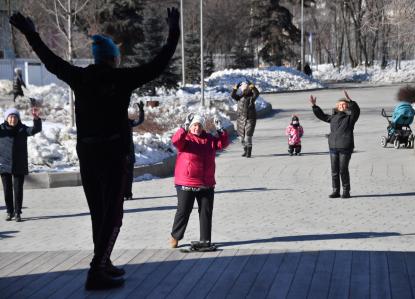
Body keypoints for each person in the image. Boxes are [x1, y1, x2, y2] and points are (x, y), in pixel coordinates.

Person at [10, 7, 179, 290]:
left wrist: (31, 33)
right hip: (113, 154)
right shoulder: (122, 78)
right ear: (114, 58)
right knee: (112, 215)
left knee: (98, 212)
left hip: (88, 154)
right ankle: (96, 270)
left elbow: (50, 61)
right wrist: (173, 29)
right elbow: (158, 64)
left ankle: (104, 261)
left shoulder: (81, 76)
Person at [169, 113, 229, 250]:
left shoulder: (209, 139)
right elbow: (175, 141)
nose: (197, 128)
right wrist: (183, 128)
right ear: (190, 127)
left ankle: (205, 239)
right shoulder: (186, 139)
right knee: (184, 210)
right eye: (194, 125)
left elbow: (223, 143)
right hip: (186, 182)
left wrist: (221, 130)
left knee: (206, 211)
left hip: (206, 182)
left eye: (199, 125)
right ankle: (175, 236)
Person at [310, 91, 360, 199]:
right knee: (334, 170)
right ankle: (335, 190)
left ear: (346, 106)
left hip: (345, 147)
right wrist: (314, 106)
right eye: (340, 104)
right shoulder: (333, 118)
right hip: (333, 147)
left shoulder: (350, 118)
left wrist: (351, 102)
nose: (342, 106)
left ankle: (346, 191)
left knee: (343, 169)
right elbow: (322, 116)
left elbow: (356, 111)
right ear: (337, 106)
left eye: (344, 104)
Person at [0, 107, 41, 222]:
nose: (13, 119)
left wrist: (36, 119)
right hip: (4, 164)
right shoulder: (1, 129)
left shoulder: (23, 129)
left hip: (19, 164)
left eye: (15, 117)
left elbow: (35, 129)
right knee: (7, 190)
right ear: (6, 118)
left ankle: (18, 213)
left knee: (18, 190)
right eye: (10, 117)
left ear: (18, 119)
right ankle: (9, 211)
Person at [231, 81, 259, 158]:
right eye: (243, 89)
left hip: (250, 118)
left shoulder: (251, 98)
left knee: (248, 135)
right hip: (241, 119)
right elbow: (233, 95)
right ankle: (245, 149)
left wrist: (252, 86)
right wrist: (235, 88)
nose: (245, 91)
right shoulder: (239, 97)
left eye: (246, 89)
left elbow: (257, 93)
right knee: (241, 138)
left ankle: (249, 152)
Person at [124, 101, 145, 201]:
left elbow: (139, 121)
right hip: (118, 154)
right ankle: (120, 194)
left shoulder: (128, 121)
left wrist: (141, 110)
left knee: (129, 175)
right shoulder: (113, 123)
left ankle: (128, 194)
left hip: (129, 153)